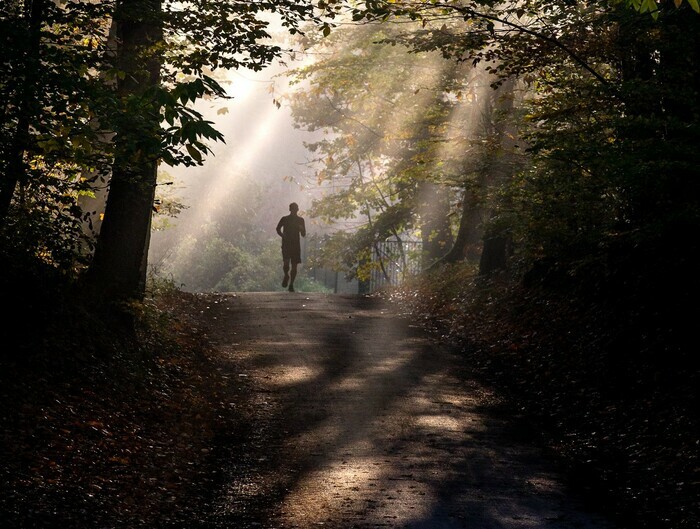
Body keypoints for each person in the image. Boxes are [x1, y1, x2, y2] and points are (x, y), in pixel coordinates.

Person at [276, 202, 306, 292]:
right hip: (286, 244)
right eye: (293, 208)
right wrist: (282, 235)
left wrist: (302, 229)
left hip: (295, 245)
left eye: (295, 209)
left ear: (297, 210)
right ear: (290, 209)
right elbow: (277, 229)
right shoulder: (284, 219)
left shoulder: (301, 220)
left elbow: (303, 234)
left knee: (294, 265)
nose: (294, 210)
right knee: (286, 263)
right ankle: (286, 275)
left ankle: (291, 284)